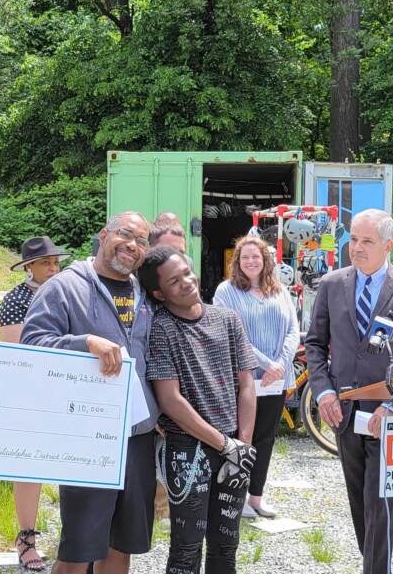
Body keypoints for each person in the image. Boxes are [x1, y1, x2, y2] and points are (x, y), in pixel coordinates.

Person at [21, 211, 160, 574]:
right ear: (103, 235)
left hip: (138, 437)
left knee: (121, 545)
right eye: (125, 234)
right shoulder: (65, 287)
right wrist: (84, 344)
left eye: (142, 241)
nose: (133, 245)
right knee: (78, 548)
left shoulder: (143, 291)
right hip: (88, 437)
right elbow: (32, 346)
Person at [305, 208, 393, 574]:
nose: (357, 248)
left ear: (388, 244)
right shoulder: (332, 284)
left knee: (381, 500)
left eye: (367, 241)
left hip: (387, 414)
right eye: (353, 240)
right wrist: (323, 392)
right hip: (343, 410)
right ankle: (375, 564)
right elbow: (315, 344)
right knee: (360, 500)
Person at [139, 246, 258, 574]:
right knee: (186, 548)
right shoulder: (162, 329)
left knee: (226, 543)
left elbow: (247, 385)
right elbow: (170, 400)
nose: (187, 283)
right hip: (188, 450)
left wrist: (242, 445)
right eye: (174, 281)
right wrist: (224, 444)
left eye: (187, 273)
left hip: (235, 448)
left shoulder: (227, 319)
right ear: (158, 293)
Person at [212, 236, 300, 518]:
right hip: (243, 379)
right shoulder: (226, 292)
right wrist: (267, 362)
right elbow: (232, 334)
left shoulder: (281, 291)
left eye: (256, 257)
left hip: (275, 381)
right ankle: (231, 495)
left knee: (265, 438)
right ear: (237, 262)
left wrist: (282, 365)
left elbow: (293, 330)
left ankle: (256, 498)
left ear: (266, 261)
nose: (251, 262)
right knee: (239, 436)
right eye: (245, 257)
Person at [0, 236, 69, 572]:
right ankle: (26, 539)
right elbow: (16, 353)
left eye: (55, 262)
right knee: (29, 468)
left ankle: (76, 539)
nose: (53, 268)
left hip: (69, 389)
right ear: (29, 267)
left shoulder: (71, 293)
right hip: (32, 391)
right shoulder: (15, 300)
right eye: (45, 263)